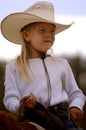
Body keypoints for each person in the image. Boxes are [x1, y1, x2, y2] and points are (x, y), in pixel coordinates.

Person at [1, 1, 86, 130]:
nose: (49, 35)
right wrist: (21, 105)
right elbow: (10, 98)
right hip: (31, 117)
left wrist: (76, 106)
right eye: (42, 30)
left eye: (52, 31)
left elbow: (76, 93)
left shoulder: (62, 64)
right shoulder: (13, 66)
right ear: (26, 35)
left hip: (61, 117)